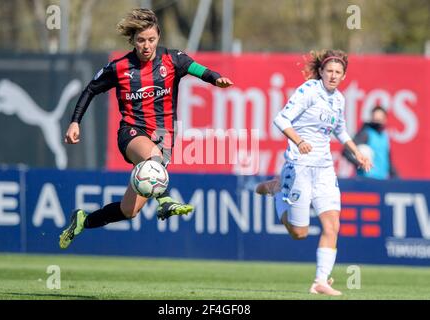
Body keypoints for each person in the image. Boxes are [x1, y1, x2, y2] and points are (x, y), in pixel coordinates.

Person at [59, 8, 233, 249]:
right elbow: (90, 90)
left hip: (164, 138)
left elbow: (199, 70)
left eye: (151, 39)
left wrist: (216, 78)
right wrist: (75, 121)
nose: (146, 45)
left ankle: (83, 220)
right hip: (131, 133)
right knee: (153, 158)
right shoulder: (119, 68)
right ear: (132, 41)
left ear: (158, 37)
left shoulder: (173, 59)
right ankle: (165, 202)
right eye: (141, 40)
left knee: (129, 211)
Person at [256, 49, 371, 296]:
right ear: (320, 71)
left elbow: (340, 130)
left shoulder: (339, 99)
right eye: (329, 70)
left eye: (338, 72)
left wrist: (357, 153)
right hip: (299, 166)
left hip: (325, 169)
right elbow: (281, 119)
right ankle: (277, 190)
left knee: (333, 225)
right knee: (300, 233)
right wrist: (298, 141)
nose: (333, 75)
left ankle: (320, 281)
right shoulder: (308, 91)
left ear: (344, 76)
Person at [342, 105, 398, 179]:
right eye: (376, 119)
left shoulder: (385, 136)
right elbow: (346, 151)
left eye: (380, 119)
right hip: (367, 179)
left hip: (382, 180)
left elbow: (387, 160)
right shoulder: (365, 133)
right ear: (372, 119)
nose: (378, 122)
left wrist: (396, 177)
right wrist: (360, 163)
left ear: (385, 119)